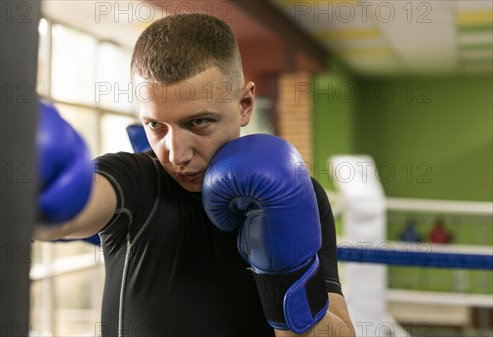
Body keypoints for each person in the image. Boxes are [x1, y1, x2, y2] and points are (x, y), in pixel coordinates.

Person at [36, 13, 355, 337]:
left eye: (199, 122)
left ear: (245, 104)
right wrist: (37, 188)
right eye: (155, 125)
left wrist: (284, 277)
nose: (175, 154)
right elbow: (66, 215)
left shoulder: (302, 195)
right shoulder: (134, 180)